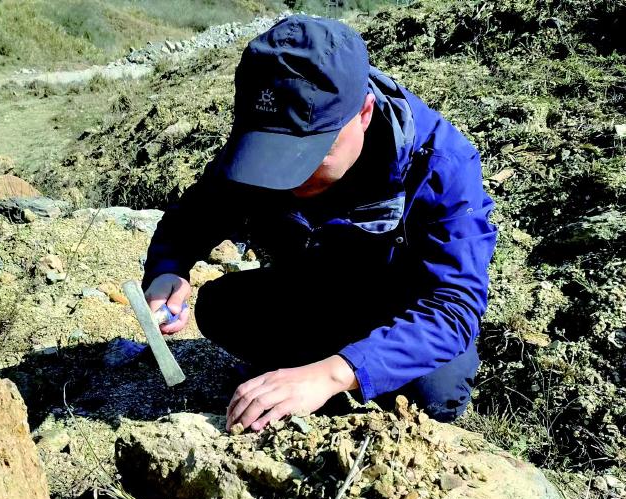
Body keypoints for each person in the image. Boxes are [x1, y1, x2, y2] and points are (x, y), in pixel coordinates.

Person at [141, 15, 497, 432]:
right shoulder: (261, 139)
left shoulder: (440, 164)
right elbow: (194, 215)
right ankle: (313, 372)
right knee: (222, 310)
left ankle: (336, 373)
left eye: (310, 154)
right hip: (315, 289)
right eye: (274, 154)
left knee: (434, 392)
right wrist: (169, 268)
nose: (289, 175)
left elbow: (453, 305)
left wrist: (333, 373)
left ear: (364, 113)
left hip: (399, 309)